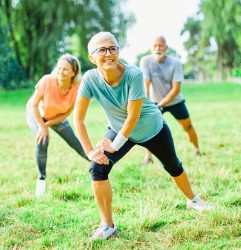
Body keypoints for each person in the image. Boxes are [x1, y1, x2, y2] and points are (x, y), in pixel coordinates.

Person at [73, 32, 212, 241]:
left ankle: (192, 200)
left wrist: (114, 145)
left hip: (151, 128)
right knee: (98, 167)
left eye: (112, 48)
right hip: (119, 129)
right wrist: (90, 151)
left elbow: (133, 116)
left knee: (173, 166)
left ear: (119, 52)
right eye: (101, 50)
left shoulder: (133, 74)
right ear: (92, 57)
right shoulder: (90, 79)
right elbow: (79, 119)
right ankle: (108, 226)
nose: (108, 54)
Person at [25, 53, 88, 197]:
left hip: (56, 117)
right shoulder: (47, 81)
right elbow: (34, 106)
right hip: (35, 115)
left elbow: (68, 113)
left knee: (76, 143)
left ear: (74, 72)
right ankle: (41, 178)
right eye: (59, 68)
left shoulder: (77, 89)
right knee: (43, 140)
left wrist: (49, 124)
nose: (60, 71)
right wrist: (42, 127)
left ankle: (98, 167)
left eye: (65, 69)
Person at [140, 36, 201, 165]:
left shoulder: (175, 63)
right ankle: (148, 157)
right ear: (151, 48)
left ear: (166, 48)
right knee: (149, 130)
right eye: (155, 46)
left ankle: (197, 150)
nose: (158, 48)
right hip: (154, 102)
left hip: (175, 101)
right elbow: (146, 85)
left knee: (188, 126)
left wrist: (161, 105)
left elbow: (176, 90)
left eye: (160, 45)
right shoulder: (145, 61)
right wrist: (147, 105)